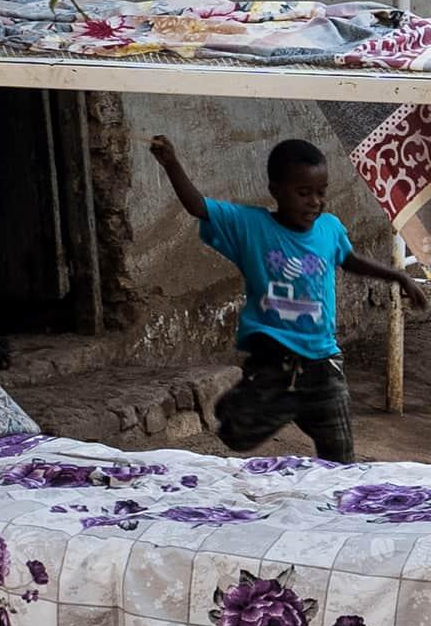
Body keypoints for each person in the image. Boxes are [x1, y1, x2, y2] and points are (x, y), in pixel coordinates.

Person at [154, 135, 414, 458]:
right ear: (276, 190)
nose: (315, 202)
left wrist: (399, 276)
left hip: (324, 366)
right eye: (303, 193)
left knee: (342, 460)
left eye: (321, 193)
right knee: (235, 435)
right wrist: (171, 164)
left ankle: (328, 488)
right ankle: (255, 400)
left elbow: (349, 260)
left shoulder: (330, 228)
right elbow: (198, 206)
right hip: (274, 367)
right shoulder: (251, 226)